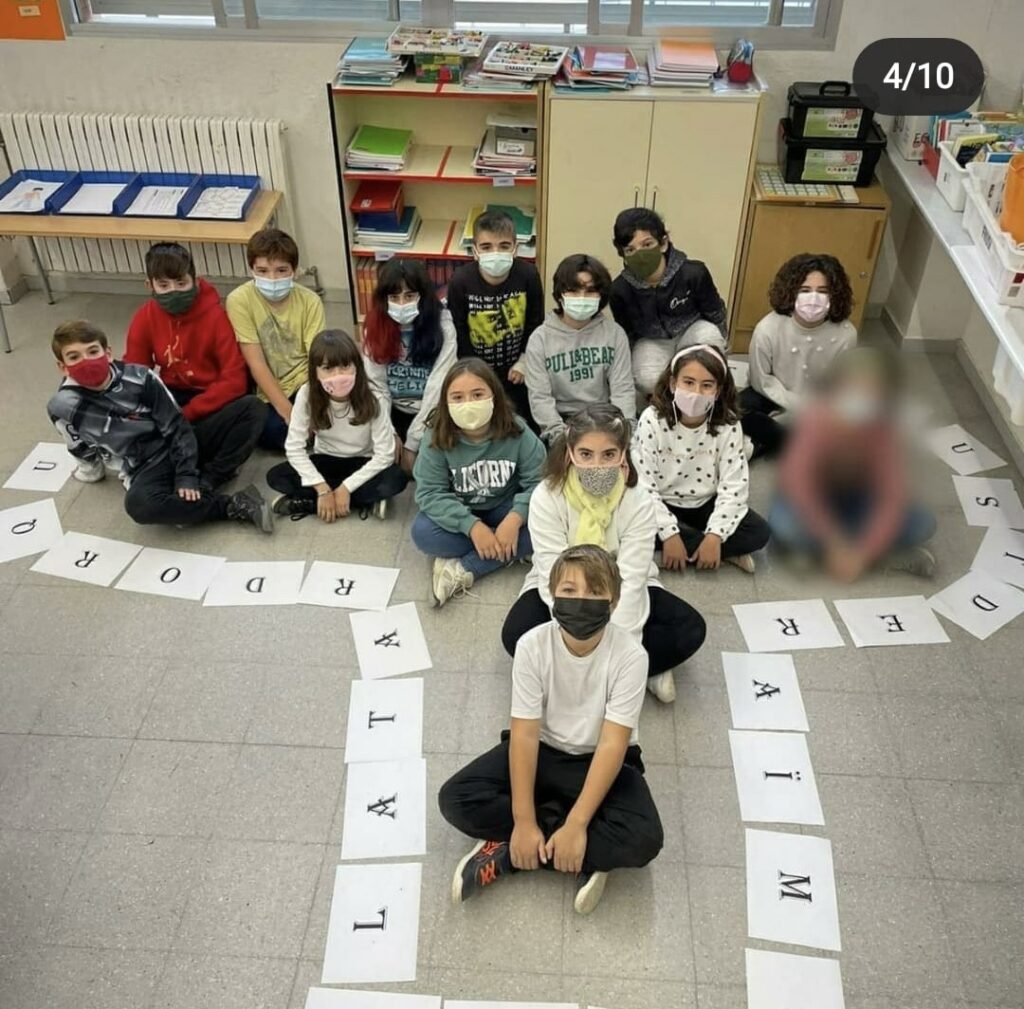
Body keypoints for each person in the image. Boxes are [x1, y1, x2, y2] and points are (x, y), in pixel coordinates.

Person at [439, 544, 663, 916]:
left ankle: (516, 849)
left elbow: (613, 744)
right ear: (552, 594)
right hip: (542, 751)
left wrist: (576, 823)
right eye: (570, 590)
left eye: (595, 591)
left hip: (599, 760)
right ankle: (566, 848)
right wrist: (524, 820)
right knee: (455, 799)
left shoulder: (631, 656)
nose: (581, 600)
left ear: (614, 601)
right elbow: (525, 734)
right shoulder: (532, 646)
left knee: (645, 840)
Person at [501, 404, 706, 704]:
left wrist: (617, 656)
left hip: (618, 589)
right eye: (586, 454)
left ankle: (633, 670)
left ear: (623, 454)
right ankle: (627, 668)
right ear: (570, 453)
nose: (597, 465)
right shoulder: (546, 496)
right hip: (564, 588)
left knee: (690, 628)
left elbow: (632, 579)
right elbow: (551, 572)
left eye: (608, 455)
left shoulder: (638, 499)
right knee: (515, 635)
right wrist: (576, 642)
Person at [47, 321, 272, 532]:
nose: (86, 361)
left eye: (92, 351)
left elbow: (176, 426)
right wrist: (90, 472)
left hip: (178, 441)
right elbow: (79, 446)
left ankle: (206, 483)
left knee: (252, 408)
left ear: (107, 354)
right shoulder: (62, 406)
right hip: (144, 466)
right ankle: (232, 505)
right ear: (62, 367)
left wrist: (186, 475)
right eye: (74, 357)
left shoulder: (140, 377)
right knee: (139, 506)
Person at [770, 346, 937, 580]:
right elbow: (800, 485)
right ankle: (844, 551)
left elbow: (892, 495)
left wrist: (864, 552)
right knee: (784, 526)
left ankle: (842, 554)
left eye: (871, 389)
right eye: (854, 387)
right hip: (817, 498)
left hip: (859, 499)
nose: (861, 397)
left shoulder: (883, 428)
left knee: (922, 524)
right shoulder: (816, 419)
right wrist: (833, 542)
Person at [123, 242, 263, 491]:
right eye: (164, 285)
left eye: (181, 283)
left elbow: (234, 380)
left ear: (195, 281)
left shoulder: (216, 317)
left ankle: (213, 476)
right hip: (172, 398)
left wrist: (187, 414)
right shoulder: (144, 317)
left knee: (254, 410)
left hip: (212, 399)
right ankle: (173, 461)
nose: (174, 291)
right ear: (149, 286)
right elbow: (136, 374)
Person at [412, 358, 546, 607]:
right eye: (458, 397)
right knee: (422, 532)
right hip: (461, 509)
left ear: (493, 395)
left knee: (550, 524)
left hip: (505, 506)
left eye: (477, 394)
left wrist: (515, 519)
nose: (468, 404)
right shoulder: (435, 436)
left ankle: (465, 567)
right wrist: (473, 527)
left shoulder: (517, 430)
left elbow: (540, 482)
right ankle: (511, 549)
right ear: (445, 403)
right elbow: (430, 493)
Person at [632, 345, 770, 574]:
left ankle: (680, 553)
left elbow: (734, 486)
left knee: (759, 533)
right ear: (673, 383)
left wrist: (715, 536)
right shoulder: (652, 419)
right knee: (627, 526)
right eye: (688, 382)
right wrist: (669, 534)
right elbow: (644, 486)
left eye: (707, 385)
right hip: (661, 500)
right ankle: (720, 553)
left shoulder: (728, 423)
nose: (696, 392)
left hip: (704, 500)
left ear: (718, 390)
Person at [266, 330, 408, 521]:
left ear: (357, 366)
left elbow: (385, 455)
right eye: (328, 368)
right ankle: (352, 500)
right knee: (277, 476)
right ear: (315, 371)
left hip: (363, 461)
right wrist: (321, 487)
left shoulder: (374, 396)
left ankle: (314, 501)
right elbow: (293, 448)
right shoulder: (307, 394)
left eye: (345, 366)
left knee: (396, 479)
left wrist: (346, 487)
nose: (338, 376)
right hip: (326, 459)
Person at [740, 253, 857, 459]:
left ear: (834, 295)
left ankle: (773, 441)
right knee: (736, 410)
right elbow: (761, 381)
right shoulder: (767, 328)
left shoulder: (846, 334)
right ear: (791, 292)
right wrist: (795, 406)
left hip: (819, 404)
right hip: (772, 395)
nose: (813, 298)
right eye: (805, 290)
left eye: (823, 291)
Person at [608, 207, 728, 396]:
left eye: (647, 244)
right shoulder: (619, 290)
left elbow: (716, 314)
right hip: (652, 340)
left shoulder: (694, 273)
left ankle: (703, 395)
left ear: (663, 243)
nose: (640, 254)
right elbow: (627, 334)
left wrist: (719, 353)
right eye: (630, 250)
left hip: (692, 330)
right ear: (622, 254)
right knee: (646, 379)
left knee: (710, 339)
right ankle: (670, 402)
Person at [226, 228, 326, 451]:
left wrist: (313, 402)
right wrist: (289, 414)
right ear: (251, 270)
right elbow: (256, 363)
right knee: (271, 431)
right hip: (268, 385)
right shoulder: (239, 300)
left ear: (294, 271)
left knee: (334, 415)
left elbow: (316, 360)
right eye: (262, 271)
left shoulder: (310, 301)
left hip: (305, 381)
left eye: (281, 270)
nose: (272, 279)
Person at [446, 209, 544, 429]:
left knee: (522, 425)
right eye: (486, 247)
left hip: (517, 370)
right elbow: (458, 330)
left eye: (504, 246)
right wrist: (474, 370)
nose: (495, 253)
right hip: (475, 369)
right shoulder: (460, 281)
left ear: (515, 248)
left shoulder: (528, 275)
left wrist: (524, 360)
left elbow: (535, 321)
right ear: (475, 251)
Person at [524, 253, 635, 445]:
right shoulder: (539, 339)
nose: (582, 298)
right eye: (573, 291)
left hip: (604, 420)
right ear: (560, 294)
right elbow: (540, 398)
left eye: (590, 291)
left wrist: (624, 433)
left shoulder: (615, 334)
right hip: (562, 424)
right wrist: (560, 439)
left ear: (601, 296)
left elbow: (622, 390)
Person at [360, 258, 457, 474]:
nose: (402, 304)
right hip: (392, 411)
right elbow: (377, 386)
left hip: (432, 412)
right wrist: (389, 433)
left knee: (437, 465)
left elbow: (438, 386)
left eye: (410, 296)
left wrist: (412, 443)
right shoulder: (373, 327)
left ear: (422, 296)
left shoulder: (443, 324)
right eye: (394, 297)